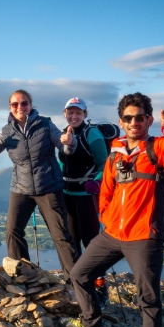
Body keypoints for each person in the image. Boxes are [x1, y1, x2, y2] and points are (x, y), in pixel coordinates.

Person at [61, 92, 164, 327]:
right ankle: (91, 323)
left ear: (149, 119)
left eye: (140, 117)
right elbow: (107, 186)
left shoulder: (159, 149)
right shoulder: (116, 149)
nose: (134, 122)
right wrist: (105, 216)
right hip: (113, 234)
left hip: (144, 236)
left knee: (148, 299)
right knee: (79, 274)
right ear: (121, 121)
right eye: (128, 118)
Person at [0, 90, 79, 281]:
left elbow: (64, 147)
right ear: (10, 108)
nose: (20, 107)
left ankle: (75, 282)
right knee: (12, 230)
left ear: (31, 105)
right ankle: (23, 277)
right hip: (21, 188)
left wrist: (70, 142)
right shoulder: (7, 131)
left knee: (60, 235)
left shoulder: (45, 124)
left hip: (49, 186)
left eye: (24, 103)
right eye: (15, 104)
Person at [58, 97, 108, 254]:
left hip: (87, 194)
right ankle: (77, 276)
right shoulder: (63, 134)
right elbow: (62, 163)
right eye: (70, 112)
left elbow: (105, 163)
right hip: (67, 194)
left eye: (78, 113)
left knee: (90, 238)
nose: (74, 116)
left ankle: (96, 277)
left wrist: (98, 181)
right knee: (71, 239)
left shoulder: (92, 134)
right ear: (64, 113)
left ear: (85, 114)